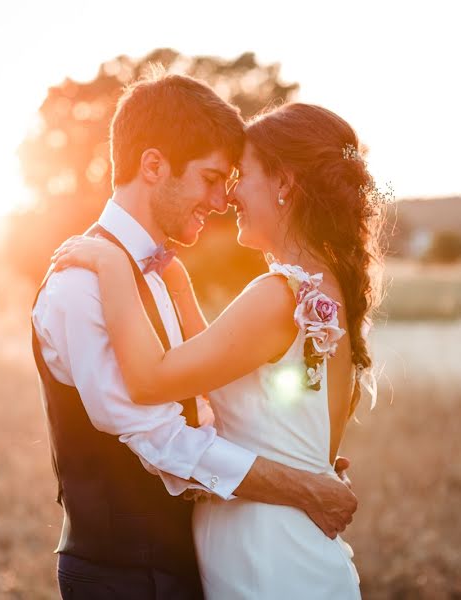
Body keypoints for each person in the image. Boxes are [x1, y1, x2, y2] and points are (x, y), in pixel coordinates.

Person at [32, 71, 359, 600]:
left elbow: (198, 399)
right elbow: (157, 433)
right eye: (212, 178)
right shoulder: (82, 281)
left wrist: (294, 455)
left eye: (232, 179)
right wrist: (301, 483)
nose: (223, 198)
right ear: (155, 166)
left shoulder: (159, 273)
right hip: (125, 575)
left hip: (218, 562)